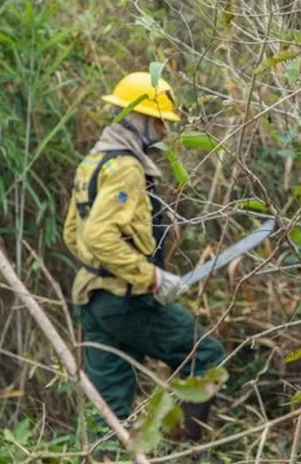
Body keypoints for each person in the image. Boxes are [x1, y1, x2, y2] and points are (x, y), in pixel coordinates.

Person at [63, 72, 226, 441]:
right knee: (205, 358)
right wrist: (149, 277)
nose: (165, 133)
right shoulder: (126, 169)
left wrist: (108, 272)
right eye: (159, 122)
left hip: (93, 298)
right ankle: (190, 456)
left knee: (111, 409)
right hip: (127, 300)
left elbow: (73, 234)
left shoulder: (94, 163)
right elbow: (98, 235)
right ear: (135, 117)